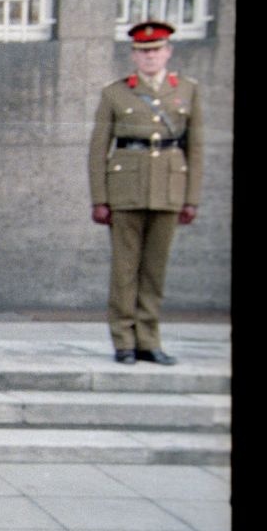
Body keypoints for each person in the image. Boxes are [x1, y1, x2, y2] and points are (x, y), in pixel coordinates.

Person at [88, 20, 203, 365]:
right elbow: (98, 150)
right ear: (134, 56)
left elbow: (195, 148)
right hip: (126, 190)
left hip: (169, 189)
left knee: (155, 270)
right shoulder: (115, 92)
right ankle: (124, 340)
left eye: (156, 50)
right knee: (124, 270)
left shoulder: (186, 89)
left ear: (168, 52)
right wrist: (100, 198)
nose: (150, 57)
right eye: (143, 51)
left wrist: (191, 198)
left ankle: (148, 340)